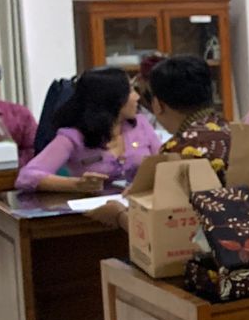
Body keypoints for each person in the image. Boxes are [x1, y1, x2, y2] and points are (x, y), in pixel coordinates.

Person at [88, 55, 231, 229]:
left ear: (158, 104)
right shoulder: (229, 129)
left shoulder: (179, 150)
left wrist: (119, 215)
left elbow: (165, 227)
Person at [15, 67, 160, 192]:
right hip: (96, 210)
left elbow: (163, 161)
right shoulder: (73, 137)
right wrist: (76, 185)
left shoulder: (141, 124)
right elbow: (27, 176)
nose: (137, 97)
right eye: (130, 91)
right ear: (111, 99)